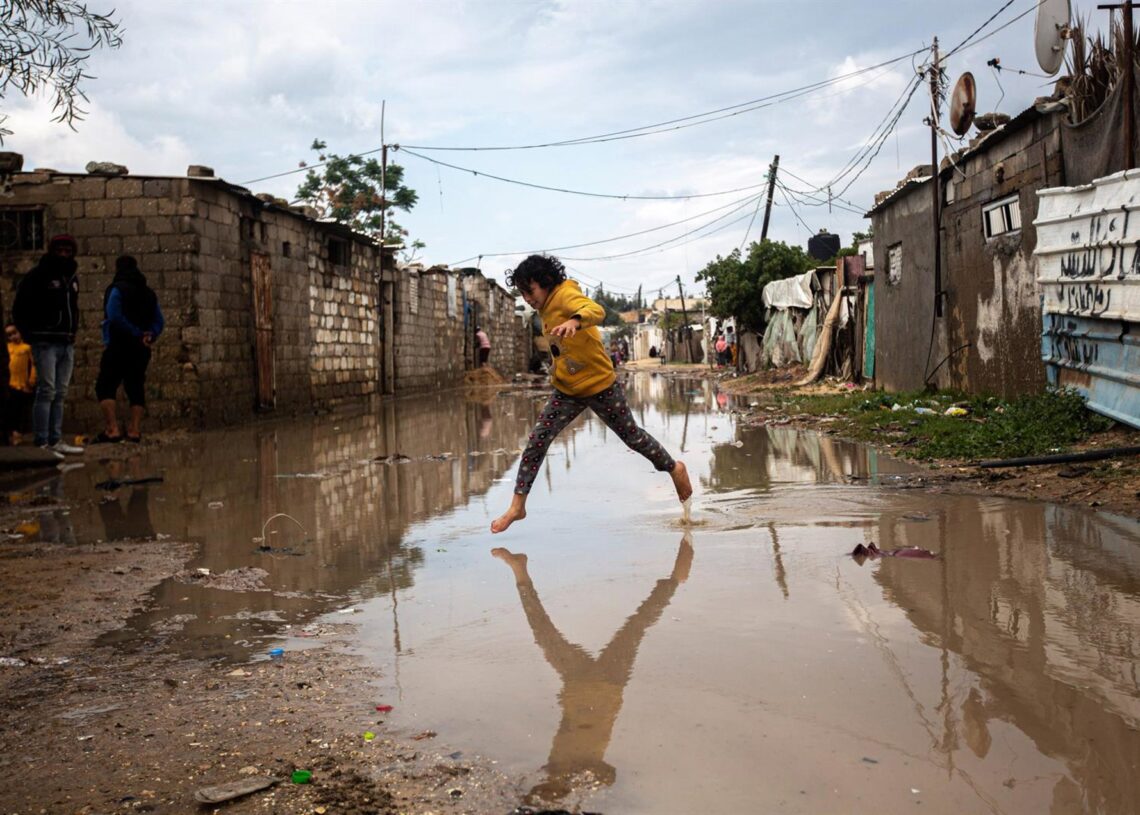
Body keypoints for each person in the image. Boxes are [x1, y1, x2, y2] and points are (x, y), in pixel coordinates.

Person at [491, 254, 691, 534]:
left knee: (632, 437)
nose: (526, 298)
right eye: (522, 293)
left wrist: (575, 321)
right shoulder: (544, 306)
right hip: (567, 390)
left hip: (600, 386)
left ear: (547, 282)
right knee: (537, 440)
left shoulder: (565, 294)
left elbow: (595, 310)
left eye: (530, 291)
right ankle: (517, 506)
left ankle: (674, 468)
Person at [12, 234, 84, 454]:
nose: (63, 254)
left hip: (66, 341)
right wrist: (30, 334)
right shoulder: (38, 276)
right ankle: (42, 441)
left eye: (67, 251)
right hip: (45, 342)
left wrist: (72, 331)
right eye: (59, 250)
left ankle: (55, 439)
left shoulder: (71, 278)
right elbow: (20, 307)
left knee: (60, 392)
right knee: (47, 390)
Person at [94, 255, 164, 443]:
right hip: (141, 348)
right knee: (135, 386)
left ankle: (112, 429)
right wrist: (149, 334)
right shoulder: (149, 293)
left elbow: (114, 315)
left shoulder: (117, 289)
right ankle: (134, 430)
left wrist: (134, 332)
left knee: (105, 385)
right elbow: (159, 320)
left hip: (118, 345)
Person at [6, 324, 36, 445]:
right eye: (9, 335)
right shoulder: (7, 348)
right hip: (9, 383)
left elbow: (33, 365)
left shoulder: (27, 348)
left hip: (21, 384)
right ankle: (11, 432)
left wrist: (32, 380)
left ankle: (18, 433)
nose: (13, 336)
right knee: (10, 409)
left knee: (19, 410)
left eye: (14, 333)